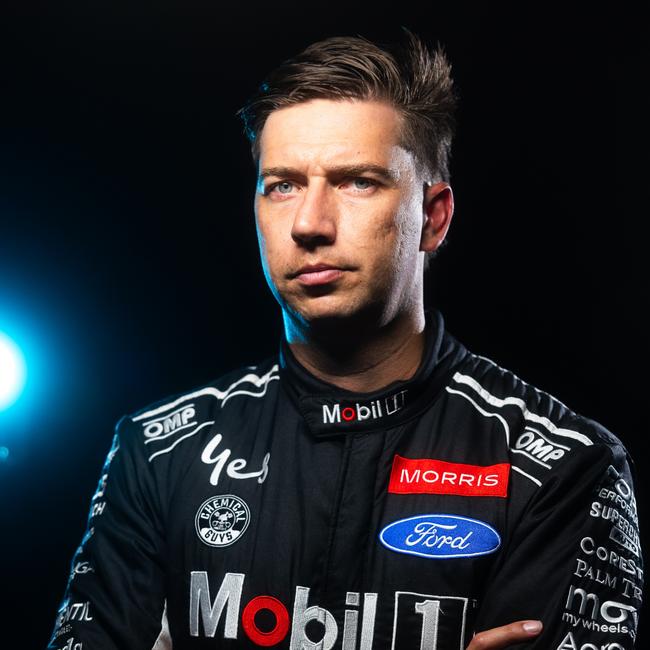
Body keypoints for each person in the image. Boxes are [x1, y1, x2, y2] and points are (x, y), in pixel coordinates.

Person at [47, 28, 643, 650]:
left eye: (357, 181)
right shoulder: (158, 453)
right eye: (282, 185)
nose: (308, 223)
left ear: (432, 217)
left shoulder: (566, 467)